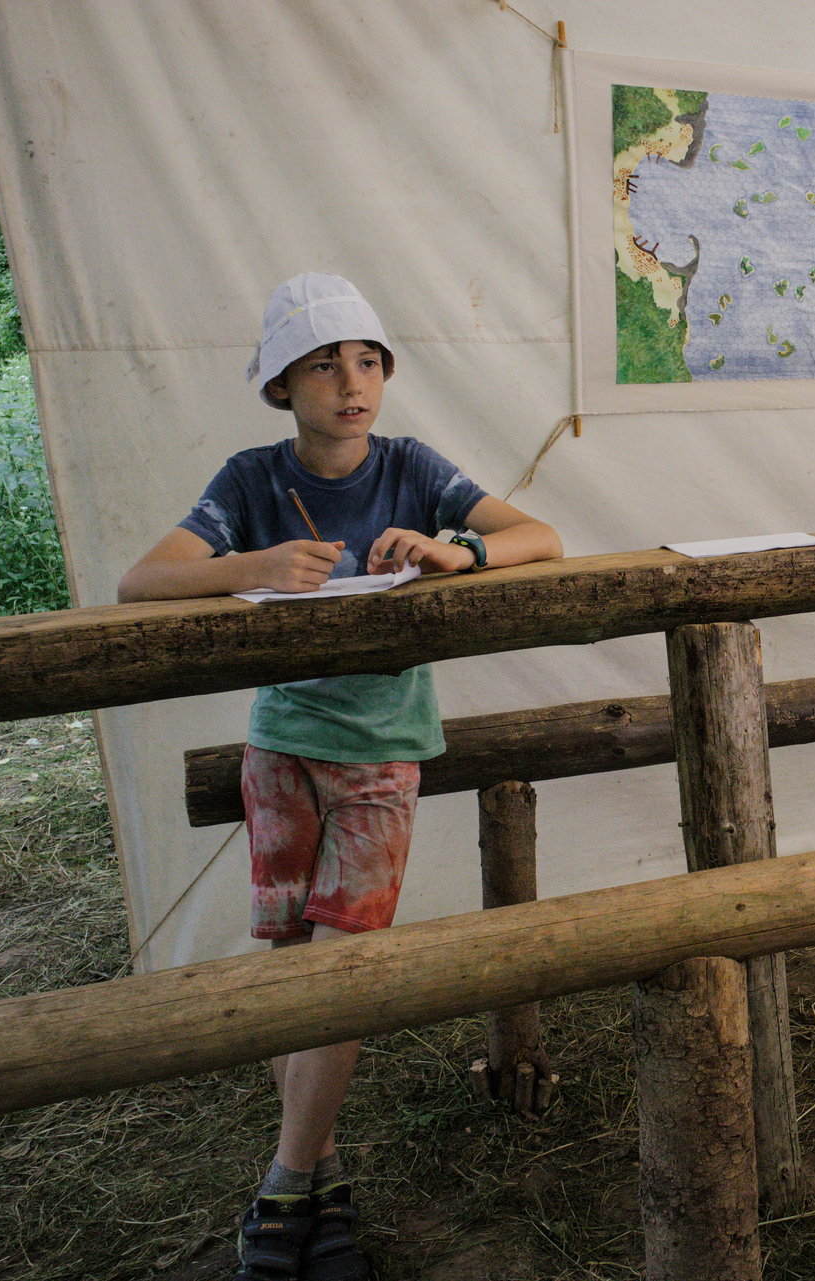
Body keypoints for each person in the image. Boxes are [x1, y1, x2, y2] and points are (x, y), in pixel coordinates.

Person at [119, 272, 563, 1281]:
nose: (352, 384)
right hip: (281, 743)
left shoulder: (411, 468)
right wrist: (253, 566)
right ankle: (320, 1182)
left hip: (381, 747)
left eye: (367, 362)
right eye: (324, 367)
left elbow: (539, 537)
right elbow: (141, 580)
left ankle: (283, 1186)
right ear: (281, 386)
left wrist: (456, 550)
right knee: (291, 962)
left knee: (344, 968)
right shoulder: (249, 480)